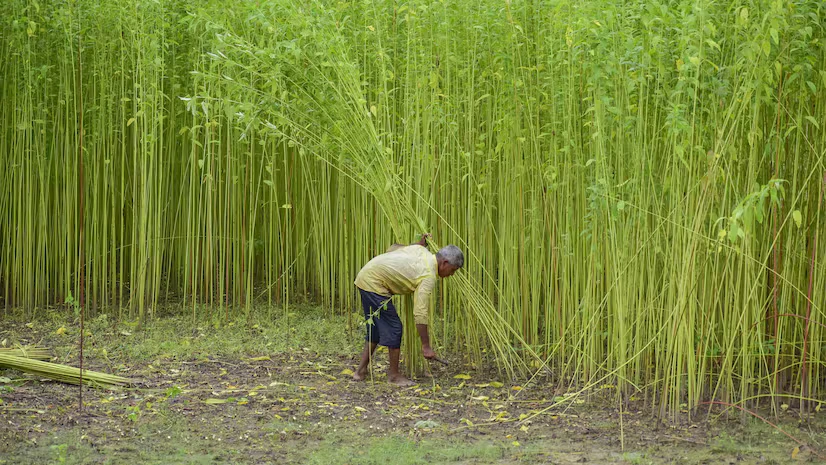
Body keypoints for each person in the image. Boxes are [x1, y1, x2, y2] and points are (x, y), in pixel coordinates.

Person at [352, 234, 464, 386]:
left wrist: (418, 244)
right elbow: (420, 314)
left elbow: (393, 248)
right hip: (374, 284)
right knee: (395, 327)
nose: (451, 275)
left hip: (365, 276)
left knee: (374, 329)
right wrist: (426, 346)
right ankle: (393, 376)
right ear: (444, 263)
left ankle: (360, 371)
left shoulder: (421, 250)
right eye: (453, 270)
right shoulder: (428, 276)